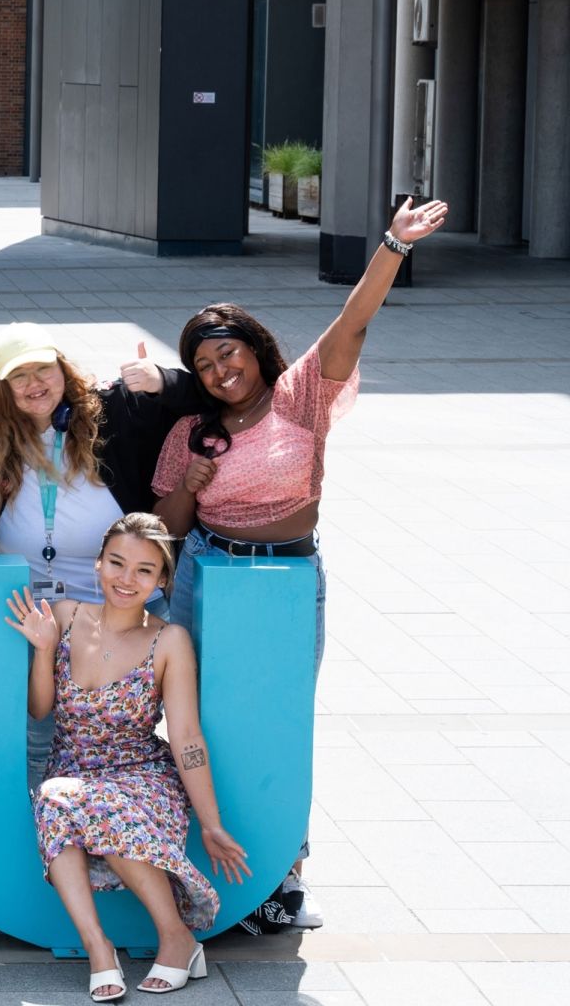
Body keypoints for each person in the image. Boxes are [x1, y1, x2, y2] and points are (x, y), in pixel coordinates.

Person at [151, 197, 449, 932]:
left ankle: (283, 879)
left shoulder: (301, 398)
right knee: (198, 721)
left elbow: (351, 321)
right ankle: (198, 864)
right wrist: (189, 486)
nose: (221, 370)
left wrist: (392, 246)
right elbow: (166, 530)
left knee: (276, 722)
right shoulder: (192, 430)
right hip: (204, 576)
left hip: (285, 581)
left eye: (229, 353)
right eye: (204, 364)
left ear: (253, 346)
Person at [5, 513, 249, 1001]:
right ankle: (99, 948)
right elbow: (40, 709)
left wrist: (210, 822)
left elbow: (185, 737)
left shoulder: (169, 639)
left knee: (82, 805)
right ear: (97, 564)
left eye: (143, 570)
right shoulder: (66, 614)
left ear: (161, 581)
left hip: (142, 775)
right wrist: (43, 648)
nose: (126, 579)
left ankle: (177, 936)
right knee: (55, 798)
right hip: (72, 771)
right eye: (116, 563)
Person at [0, 324, 207, 791]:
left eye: (44, 369)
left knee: (112, 736)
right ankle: (33, 840)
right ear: (2, 388)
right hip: (30, 615)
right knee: (33, 736)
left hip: (119, 608)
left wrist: (163, 380)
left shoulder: (113, 410)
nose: (35, 384)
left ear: (63, 369)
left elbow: (208, 396)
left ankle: (112, 824)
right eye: (19, 376)